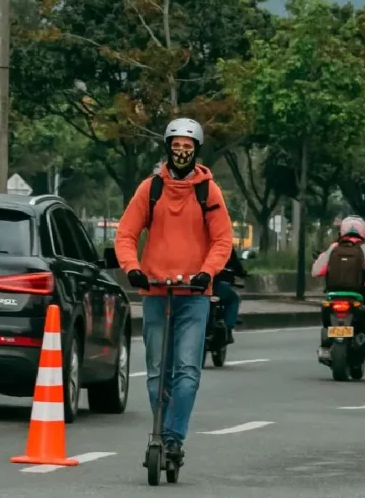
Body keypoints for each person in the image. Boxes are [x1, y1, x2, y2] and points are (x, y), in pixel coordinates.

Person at [114, 117, 234, 468]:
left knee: (186, 372)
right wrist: (132, 268)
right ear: (167, 148)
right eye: (176, 146)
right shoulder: (149, 189)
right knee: (156, 374)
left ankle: (173, 439)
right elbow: (125, 234)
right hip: (155, 293)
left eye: (188, 147)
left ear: (196, 151)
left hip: (193, 296)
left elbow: (222, 239)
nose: (181, 152)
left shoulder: (208, 192)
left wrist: (206, 273)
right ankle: (162, 432)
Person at [310, 216, 365, 339]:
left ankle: (328, 337)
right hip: (361, 292)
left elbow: (316, 271)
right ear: (364, 232)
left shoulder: (333, 248)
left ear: (342, 231)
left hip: (333, 292)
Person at [214, 247, 247, 344]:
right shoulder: (225, 245)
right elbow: (236, 265)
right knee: (234, 300)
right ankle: (228, 329)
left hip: (199, 286)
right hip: (218, 284)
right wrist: (242, 273)